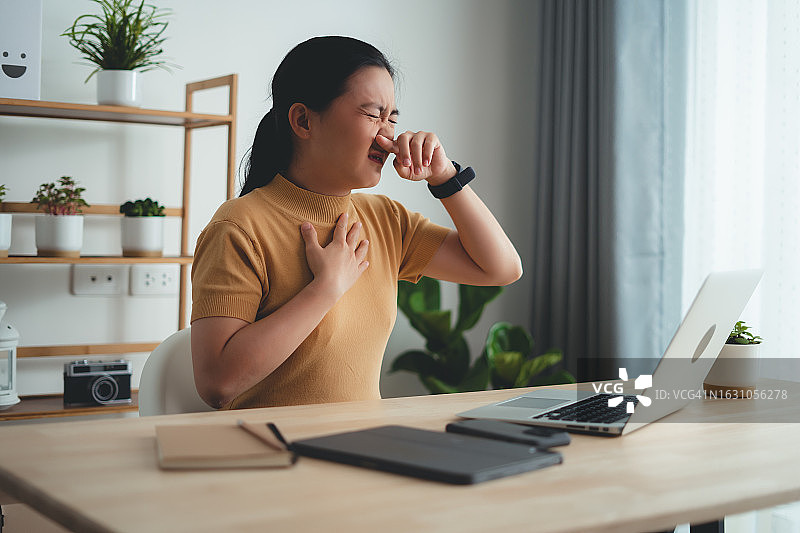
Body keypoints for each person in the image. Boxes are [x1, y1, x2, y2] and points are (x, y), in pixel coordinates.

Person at [190, 36, 522, 409]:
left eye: (392, 118)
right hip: (270, 443)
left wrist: (446, 178)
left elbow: (501, 269)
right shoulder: (239, 227)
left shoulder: (386, 220)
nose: (387, 135)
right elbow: (217, 383)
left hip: (365, 439)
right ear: (303, 121)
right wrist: (325, 289)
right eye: (372, 115)